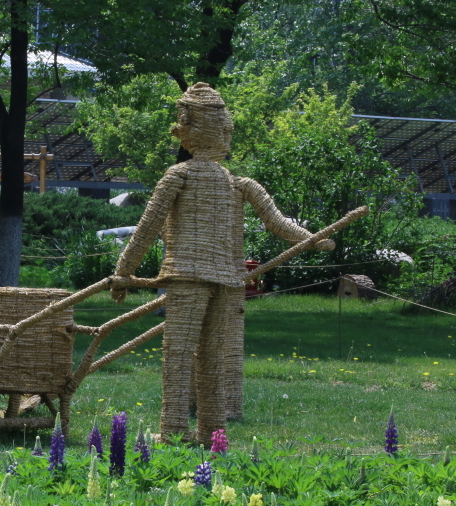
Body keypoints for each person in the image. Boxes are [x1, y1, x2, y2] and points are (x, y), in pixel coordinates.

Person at [111, 82, 333, 446]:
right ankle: (213, 434)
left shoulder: (178, 175)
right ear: (222, 133)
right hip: (228, 280)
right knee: (213, 358)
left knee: (179, 354)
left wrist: (124, 272)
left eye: (179, 123)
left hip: (189, 276)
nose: (175, 130)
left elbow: (147, 228)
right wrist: (313, 239)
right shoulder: (241, 184)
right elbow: (280, 225)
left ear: (190, 129)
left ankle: (173, 431)